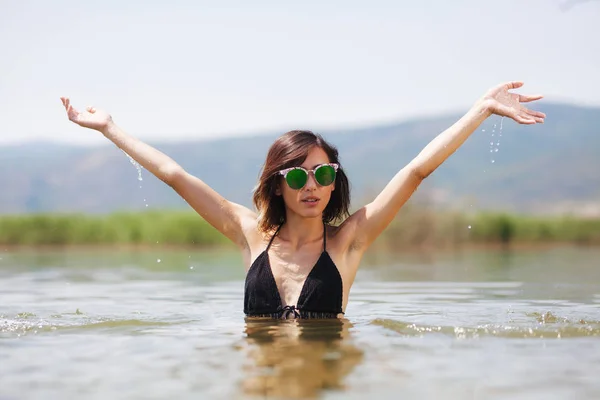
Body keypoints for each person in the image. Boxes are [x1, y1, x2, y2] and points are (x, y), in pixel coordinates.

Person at [60, 81, 545, 320]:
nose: (311, 185)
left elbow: (416, 171)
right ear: (277, 184)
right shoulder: (249, 233)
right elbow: (175, 175)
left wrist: (480, 110)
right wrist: (109, 128)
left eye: (323, 174)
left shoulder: (349, 241)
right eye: (297, 175)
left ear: (335, 184)